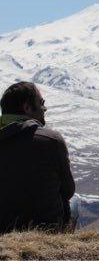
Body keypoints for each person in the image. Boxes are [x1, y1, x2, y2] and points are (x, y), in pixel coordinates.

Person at [0, 81, 76, 233]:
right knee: (75, 202)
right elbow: (68, 191)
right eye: (41, 102)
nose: (44, 108)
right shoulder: (52, 140)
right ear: (27, 107)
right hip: (46, 229)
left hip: (2, 228)